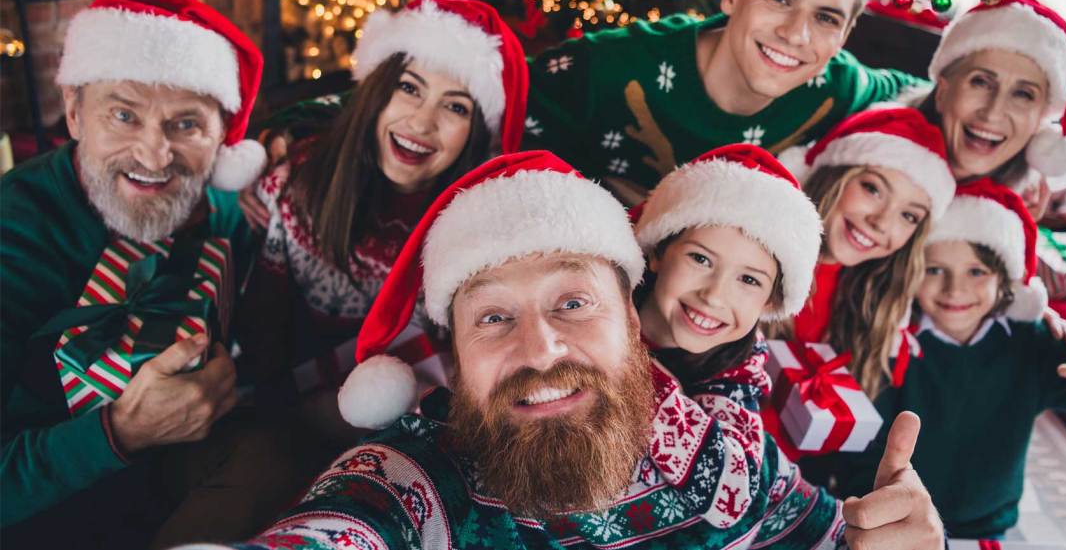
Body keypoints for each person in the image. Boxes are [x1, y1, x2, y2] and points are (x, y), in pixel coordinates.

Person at [191, 150, 944, 550]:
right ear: (452, 359)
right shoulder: (416, 476)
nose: (541, 346)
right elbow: (354, 521)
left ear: (628, 317)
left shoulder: (732, 462)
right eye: (492, 317)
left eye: (573, 302)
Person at [1, 0, 306, 548]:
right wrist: (121, 431)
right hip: (44, 505)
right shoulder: (15, 228)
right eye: (123, 115)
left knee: (281, 452)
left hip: (180, 480)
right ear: (74, 112)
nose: (153, 154)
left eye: (186, 124)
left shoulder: (224, 212)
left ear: (223, 135)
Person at [826, 178, 1066, 539]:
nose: (955, 290)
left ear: (1004, 280)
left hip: (982, 528)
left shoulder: (1034, 344)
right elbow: (855, 448)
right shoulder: (885, 339)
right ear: (910, 272)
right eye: (935, 270)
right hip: (891, 522)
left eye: (977, 272)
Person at [522, 0, 929, 202]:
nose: (795, 34)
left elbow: (930, 95)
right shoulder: (610, 67)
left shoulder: (841, 87)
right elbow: (497, 90)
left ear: (844, 36)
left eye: (826, 18)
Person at [236, 0, 527, 414]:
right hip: (297, 406)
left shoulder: (481, 228)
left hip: (420, 419)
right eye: (409, 88)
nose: (422, 123)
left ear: (477, 134)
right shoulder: (292, 185)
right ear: (376, 91)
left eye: (455, 106)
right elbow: (262, 333)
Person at [777, 107, 955, 398]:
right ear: (834, 176)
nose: (882, 222)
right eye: (873, 189)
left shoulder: (875, 301)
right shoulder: (756, 257)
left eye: (909, 216)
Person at [631, 143, 822, 391]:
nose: (713, 296)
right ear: (658, 253)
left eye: (749, 280)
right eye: (700, 259)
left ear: (769, 302)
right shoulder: (591, 307)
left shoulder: (741, 378)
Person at [918, 0, 1066, 218]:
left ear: (1040, 122)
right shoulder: (874, 154)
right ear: (942, 93)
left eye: (1023, 94)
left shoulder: (1014, 214)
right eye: (981, 82)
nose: (993, 112)